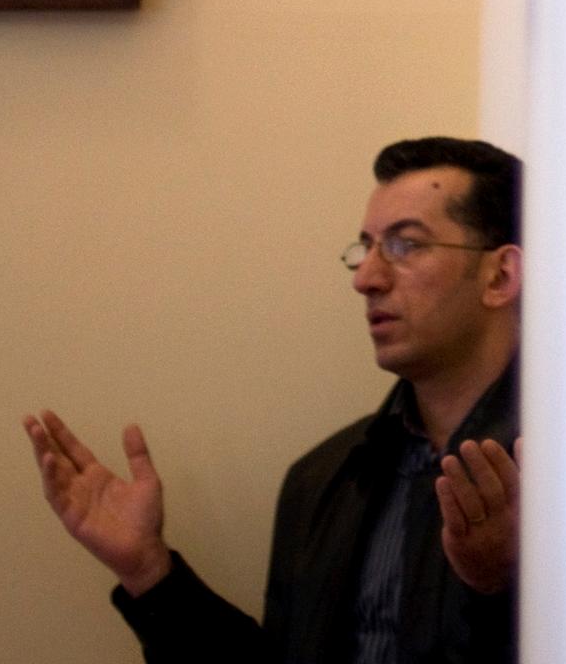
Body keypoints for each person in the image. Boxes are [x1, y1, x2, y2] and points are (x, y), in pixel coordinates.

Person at [27, 139, 526, 664]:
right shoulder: (325, 478)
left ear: (500, 276)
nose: (366, 278)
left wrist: (500, 586)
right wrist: (150, 574)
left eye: (404, 246)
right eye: (366, 249)